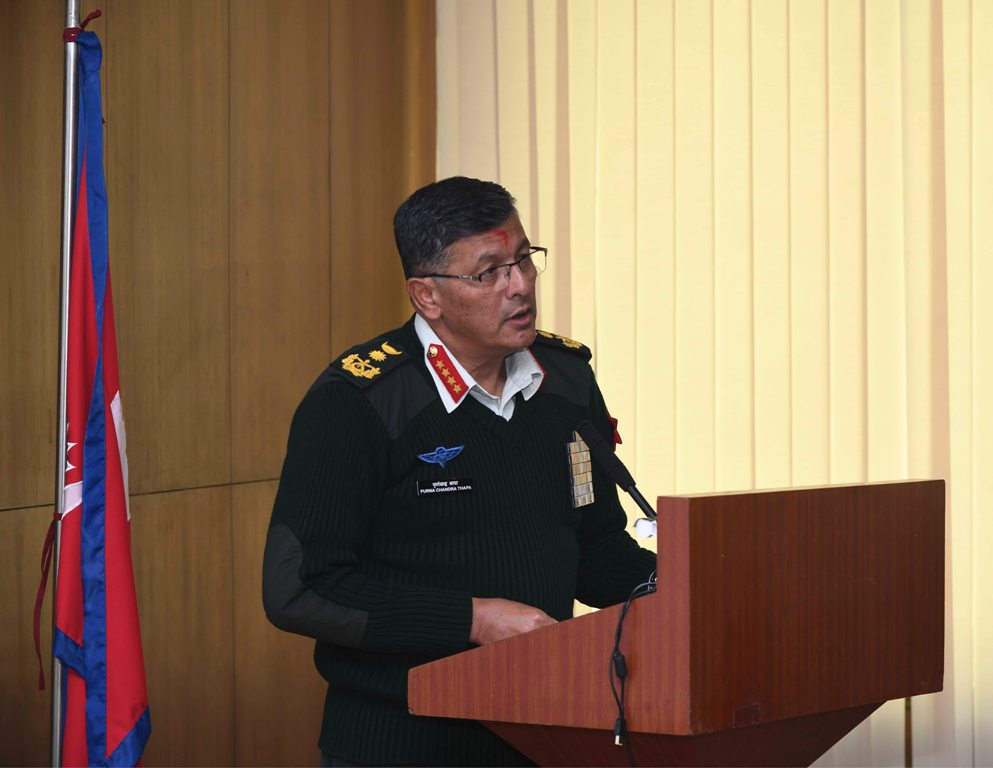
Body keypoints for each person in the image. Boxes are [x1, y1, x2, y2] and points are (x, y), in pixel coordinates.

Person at [263, 176, 656, 767]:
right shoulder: (359, 401)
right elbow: (300, 588)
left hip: (544, 732)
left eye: (523, 259)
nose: (519, 285)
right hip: (399, 743)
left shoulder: (566, 381)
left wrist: (686, 586)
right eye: (488, 272)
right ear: (427, 296)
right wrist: (474, 620)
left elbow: (594, 552)